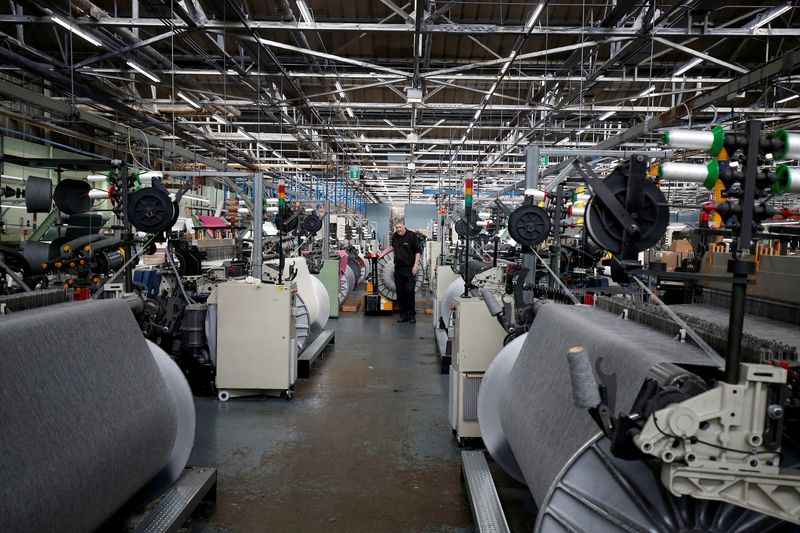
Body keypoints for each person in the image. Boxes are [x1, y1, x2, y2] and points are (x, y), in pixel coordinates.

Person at [380, 220, 422, 323]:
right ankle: (403, 315)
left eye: (400, 227)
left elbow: (417, 251)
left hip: (409, 268)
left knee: (409, 292)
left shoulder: (412, 236)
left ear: (404, 226)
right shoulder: (395, 235)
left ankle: (411, 315)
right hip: (398, 269)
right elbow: (393, 247)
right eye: (397, 227)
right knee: (400, 293)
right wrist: (383, 254)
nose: (398, 229)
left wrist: (416, 265)